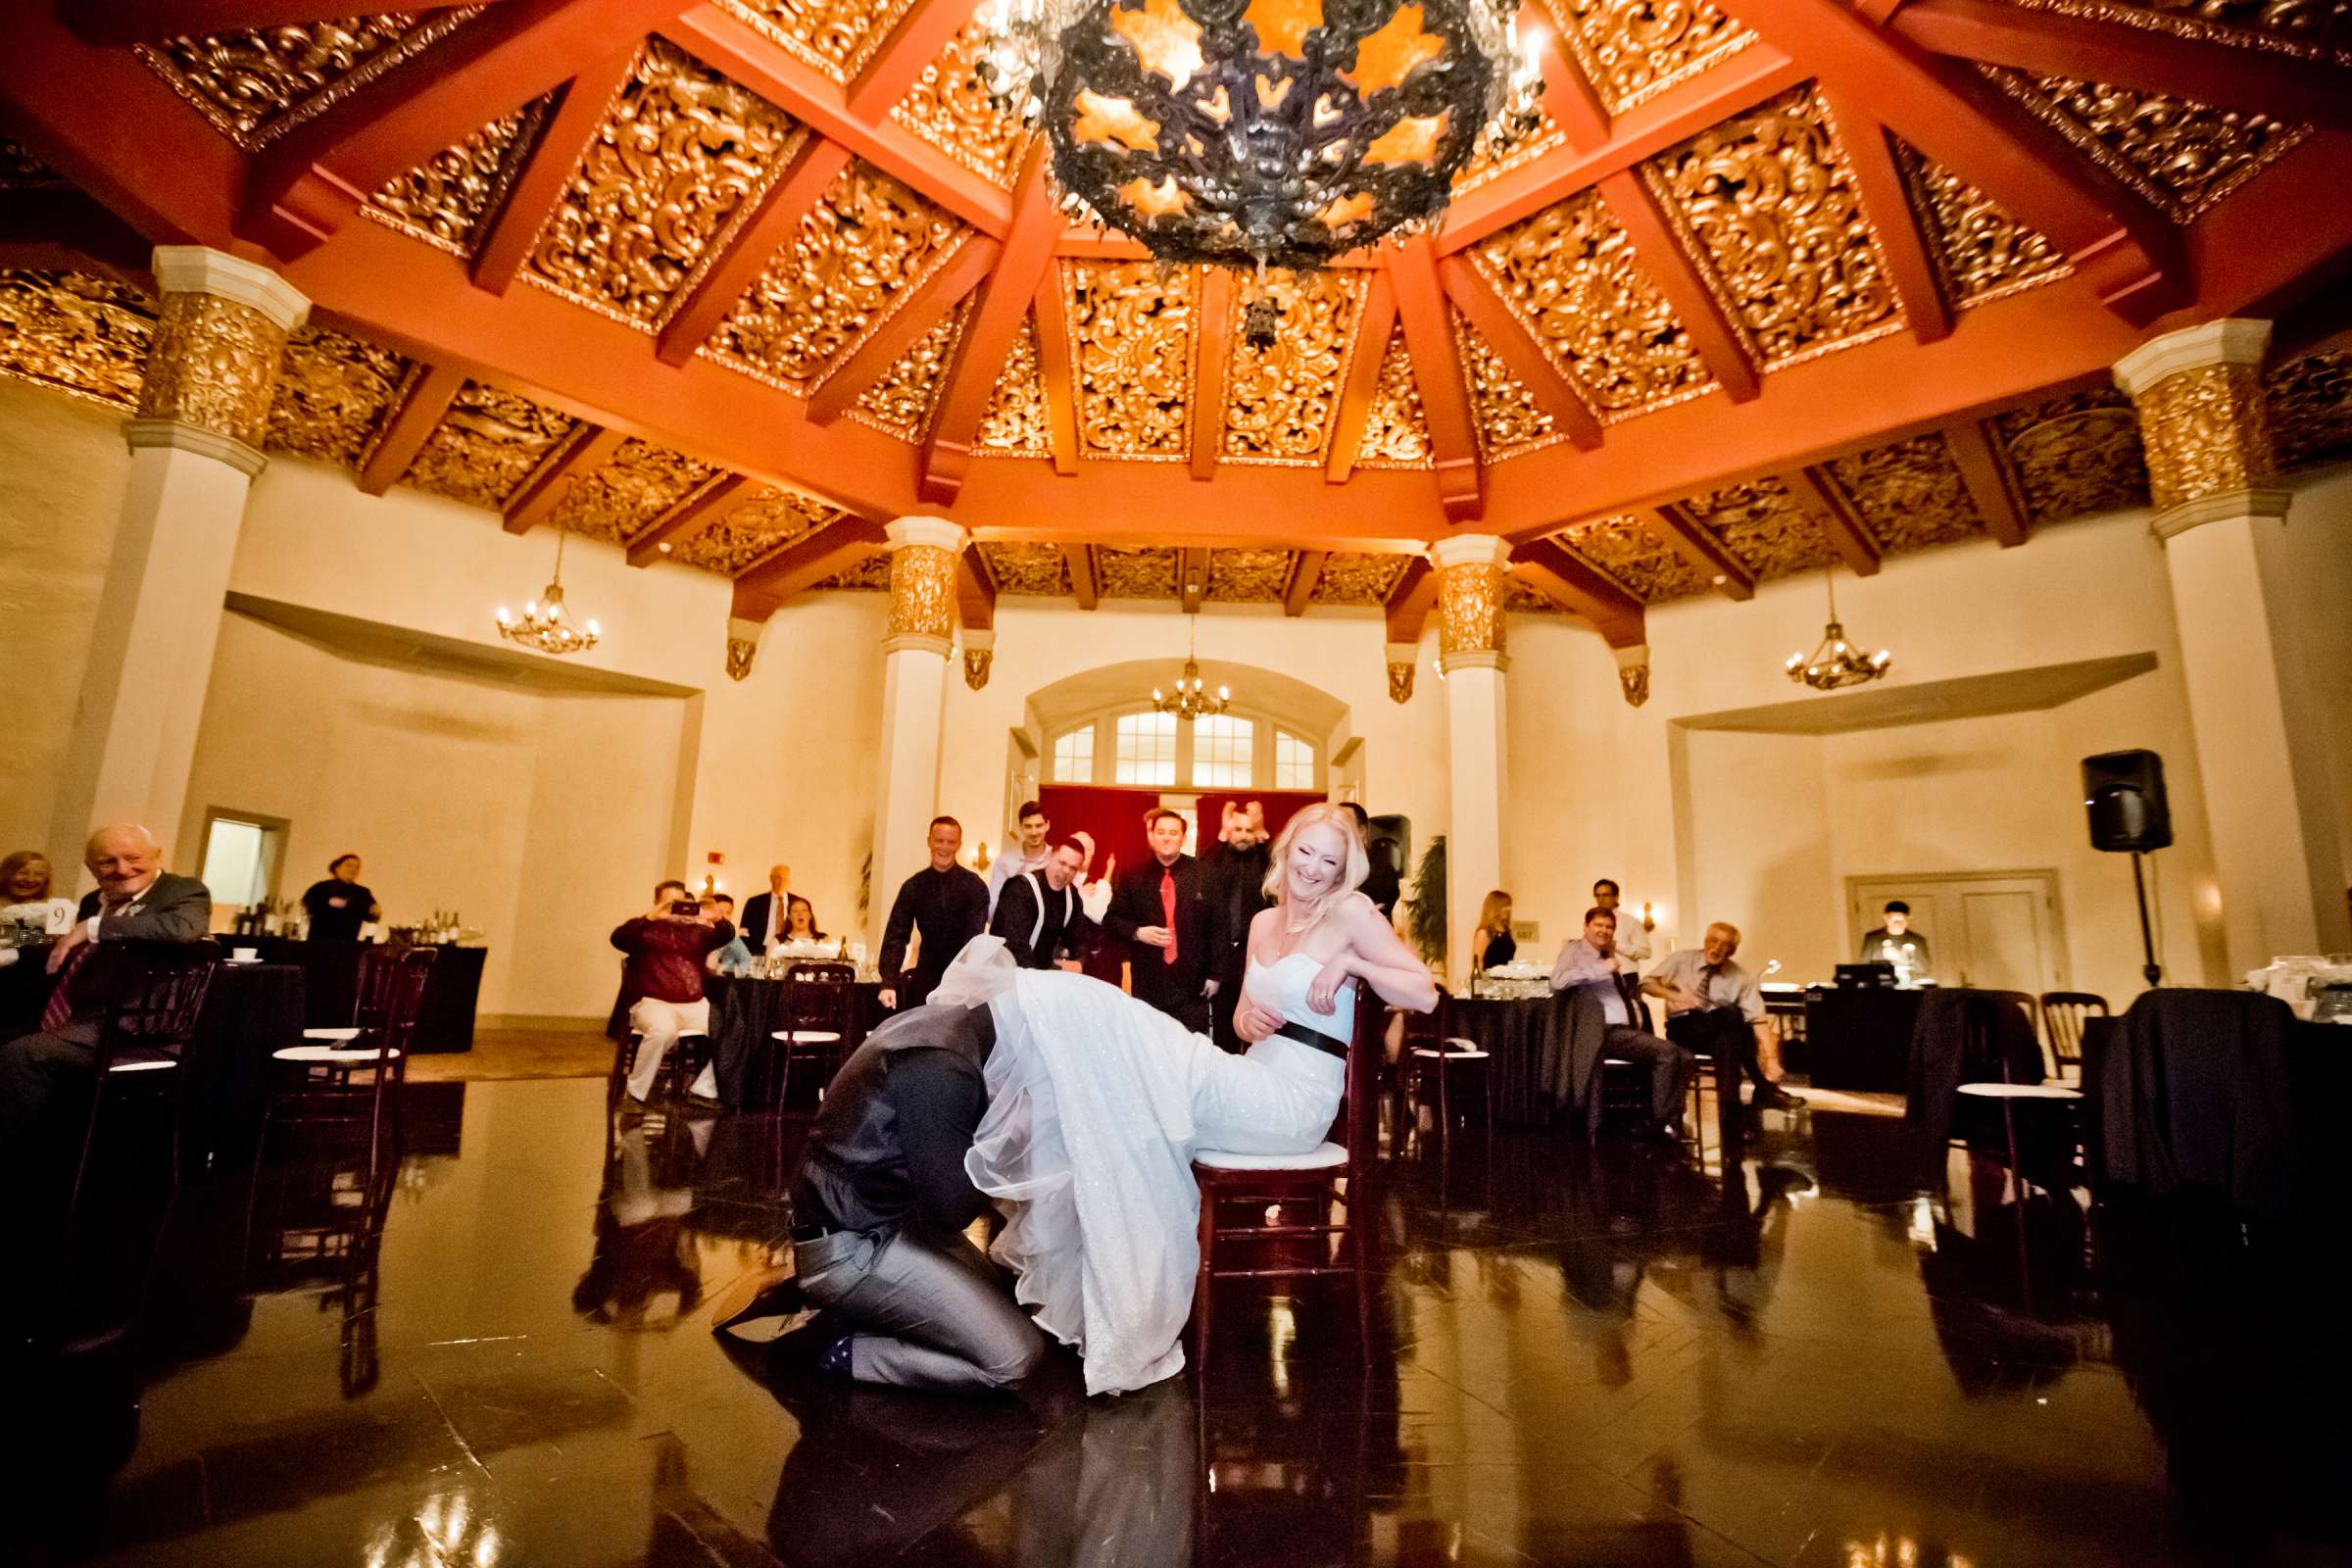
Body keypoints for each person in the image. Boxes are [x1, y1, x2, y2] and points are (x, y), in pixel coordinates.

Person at [963, 802, 1439, 1394]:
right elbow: (1239, 1019)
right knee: (1135, 1080)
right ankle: (1119, 1303)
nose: (1313, 868)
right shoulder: (1265, 924)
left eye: (1329, 860)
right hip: (1247, 1078)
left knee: (1141, 1039)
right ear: (1285, 850)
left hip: (1290, 1107)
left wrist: (1350, 961)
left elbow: (1423, 994)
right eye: (1306, 852)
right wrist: (1248, 1022)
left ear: (1345, 871)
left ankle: (1037, 1001)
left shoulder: (1352, 915)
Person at [783, 986, 1049, 1394]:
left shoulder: (947, 1024)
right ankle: (840, 1349)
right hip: (849, 1248)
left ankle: (859, 1313)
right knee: (1015, 1358)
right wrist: (1011, 1136)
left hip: (878, 1221)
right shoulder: (942, 1069)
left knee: (996, 1297)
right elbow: (952, 1210)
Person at [0, 824, 213, 1149]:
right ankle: (41, 1160)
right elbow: (67, 948)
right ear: (90, 867)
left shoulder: (182, 891)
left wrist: (95, 926)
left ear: (157, 856)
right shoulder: (92, 901)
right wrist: (13, 953)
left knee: (23, 1054)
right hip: (83, 1019)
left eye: (133, 857)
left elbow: (183, 928)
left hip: (138, 1029)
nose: (122, 869)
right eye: (107, 861)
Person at [1550, 906, 1691, 1142]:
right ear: (1586, 926)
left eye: (1609, 927)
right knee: (1667, 1053)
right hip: (1599, 1030)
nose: (1604, 930)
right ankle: (1658, 1124)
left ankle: (1667, 1116)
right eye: (1599, 925)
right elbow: (1558, 981)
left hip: (1623, 1029)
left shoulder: (1609, 954)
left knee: (1684, 1056)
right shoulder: (1575, 951)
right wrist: (1600, 969)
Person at [1645, 922, 1804, 1114]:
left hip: (1717, 1035)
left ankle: (1731, 1110)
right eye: (1713, 940)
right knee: (1732, 1015)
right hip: (1684, 1027)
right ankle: (1763, 1087)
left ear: (1733, 950)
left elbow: (1758, 1018)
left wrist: (1771, 1059)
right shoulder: (1681, 960)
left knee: (1728, 1040)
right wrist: (1675, 996)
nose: (1718, 947)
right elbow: (1645, 984)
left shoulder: (1739, 976)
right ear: (1705, 940)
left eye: (1726, 944)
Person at [611, 881, 733, 1104]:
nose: (676, 908)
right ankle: (636, 1093)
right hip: (653, 1003)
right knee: (663, 1031)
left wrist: (718, 917)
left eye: (681, 903)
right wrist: (651, 916)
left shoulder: (696, 932)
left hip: (694, 1005)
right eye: (671, 903)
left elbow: (725, 935)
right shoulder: (644, 931)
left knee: (732, 1030)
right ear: (658, 902)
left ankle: (704, 1089)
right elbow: (618, 938)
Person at [1102, 808, 1211, 1033]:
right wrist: (1138, 932)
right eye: (1161, 832)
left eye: (1173, 832)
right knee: (1150, 1049)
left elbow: (1219, 925)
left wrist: (1216, 974)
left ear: (1183, 837)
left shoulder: (1204, 874)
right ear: (1151, 837)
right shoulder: (1132, 875)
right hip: (1149, 982)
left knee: (1192, 1052)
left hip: (1193, 985)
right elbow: (1111, 920)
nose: (1167, 837)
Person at [877, 818, 989, 1011]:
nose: (944, 847)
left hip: (963, 981)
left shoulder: (974, 887)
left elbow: (973, 939)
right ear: (929, 841)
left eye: (951, 842)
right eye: (939, 840)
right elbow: (896, 935)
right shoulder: (913, 886)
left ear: (959, 845)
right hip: (925, 979)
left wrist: (964, 983)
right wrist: (888, 982)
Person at [1201, 802, 1272, 1052]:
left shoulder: (1263, 861)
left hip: (1256, 954)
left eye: (1248, 830)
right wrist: (1222, 833)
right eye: (1238, 830)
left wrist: (1262, 833)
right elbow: (1204, 869)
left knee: (1258, 1023)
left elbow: (1275, 867)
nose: (1243, 835)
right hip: (1222, 954)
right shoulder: (1218, 859)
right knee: (1223, 1025)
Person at [988, 839, 1101, 970]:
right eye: (1062, 863)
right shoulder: (1020, 888)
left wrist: (1079, 962)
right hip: (1008, 970)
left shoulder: (1072, 897)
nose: (1065, 871)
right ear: (1051, 856)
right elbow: (1014, 944)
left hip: (1042, 974)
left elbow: (1080, 939)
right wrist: (1046, 974)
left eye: (1073, 868)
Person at [987, 801, 1053, 916]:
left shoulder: (1056, 859)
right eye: (1028, 826)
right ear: (1020, 827)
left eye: (1039, 826)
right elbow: (992, 908)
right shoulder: (1004, 862)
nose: (1034, 832)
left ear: (1047, 825)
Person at [299, 853, 381, 942]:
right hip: (319, 942)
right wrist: (328, 902)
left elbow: (372, 917)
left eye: (357, 867)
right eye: (348, 865)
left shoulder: (363, 892)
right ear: (337, 868)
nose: (353, 869)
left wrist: (375, 912)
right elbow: (305, 908)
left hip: (348, 945)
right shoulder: (321, 887)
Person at [1341, 803, 1401, 921]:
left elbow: (1365, 911)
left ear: (1362, 830)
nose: (1338, 828)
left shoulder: (1380, 868)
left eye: (1344, 823)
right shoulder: (1333, 863)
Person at [0, 849, 74, 936]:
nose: (30, 879)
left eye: (39, 874)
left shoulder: (57, 909)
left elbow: (61, 943)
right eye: (22, 873)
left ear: (46, 880)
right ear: (5, 875)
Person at [1858, 901, 1932, 982]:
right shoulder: (1872, 938)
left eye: (1901, 918)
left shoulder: (1917, 940)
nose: (1897, 923)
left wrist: (1903, 956)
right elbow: (1864, 966)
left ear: (1908, 918)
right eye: (1893, 918)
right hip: (1881, 985)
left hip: (1909, 985)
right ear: (1885, 917)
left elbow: (1924, 968)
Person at [1592, 878, 1652, 965]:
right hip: (1599, 976)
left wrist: (1615, 945)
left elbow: (1646, 952)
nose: (1601, 900)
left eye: (1605, 895)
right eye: (1598, 896)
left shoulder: (1631, 922)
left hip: (1626, 976)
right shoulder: (1593, 922)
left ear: (1616, 897)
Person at [739, 864, 793, 956]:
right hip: (760, 951)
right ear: (771, 879)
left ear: (789, 881)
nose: (781, 882)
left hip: (789, 951)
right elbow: (744, 931)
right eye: (778, 878)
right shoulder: (754, 902)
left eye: (785, 879)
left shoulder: (797, 903)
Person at [706, 894, 753, 975]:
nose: (723, 916)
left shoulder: (733, 936)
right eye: (719, 912)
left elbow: (746, 962)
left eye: (728, 913)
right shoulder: (700, 932)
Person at [1472, 890, 1517, 969]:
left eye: (1509, 906)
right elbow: (1477, 964)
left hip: (1507, 978)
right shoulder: (1484, 933)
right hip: (1490, 980)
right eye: (1505, 906)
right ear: (1496, 908)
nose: (1509, 909)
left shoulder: (1507, 932)